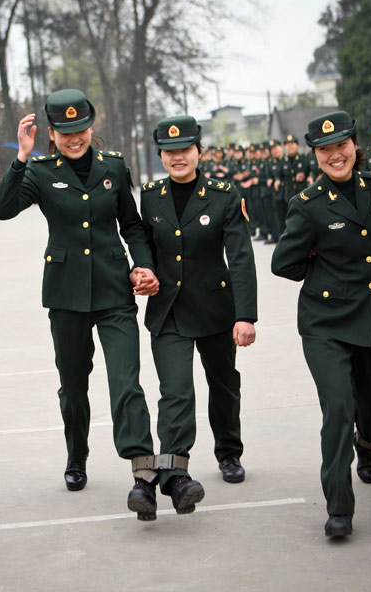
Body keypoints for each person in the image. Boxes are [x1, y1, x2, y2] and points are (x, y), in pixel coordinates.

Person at [0, 89, 162, 520]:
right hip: (66, 294)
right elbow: (2, 209)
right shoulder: (42, 172)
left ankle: (143, 469)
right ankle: (77, 454)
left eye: (81, 129)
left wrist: (142, 265)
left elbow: (133, 226)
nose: (75, 139)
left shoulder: (114, 167)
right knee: (73, 386)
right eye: (65, 132)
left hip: (113, 290)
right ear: (52, 133)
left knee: (126, 381)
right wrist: (21, 159)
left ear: (92, 126)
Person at [271, 112, 371, 538]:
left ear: (353, 146)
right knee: (338, 407)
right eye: (324, 149)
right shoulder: (306, 204)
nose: (334, 154)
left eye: (341, 146)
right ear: (316, 156)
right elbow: (282, 262)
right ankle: (339, 507)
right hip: (324, 321)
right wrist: (319, 265)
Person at [139, 116, 257, 514]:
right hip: (168, 311)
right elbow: (145, 247)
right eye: (170, 152)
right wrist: (141, 272)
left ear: (199, 153)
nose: (177, 158)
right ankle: (174, 469)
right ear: (161, 156)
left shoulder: (224, 195)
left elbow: (240, 258)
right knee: (176, 391)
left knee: (223, 385)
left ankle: (229, 451)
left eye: (185, 150)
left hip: (214, 309)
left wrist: (246, 315)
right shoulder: (151, 195)